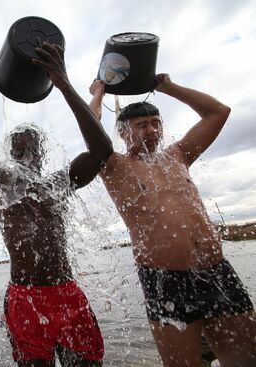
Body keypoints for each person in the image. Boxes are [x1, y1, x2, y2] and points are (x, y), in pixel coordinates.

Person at [89, 76, 256, 366]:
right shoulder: (114, 166)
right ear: (123, 132)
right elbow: (89, 129)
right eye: (142, 125)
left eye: (156, 123)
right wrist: (98, 92)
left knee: (247, 359)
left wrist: (167, 87)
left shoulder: (177, 155)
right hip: (166, 280)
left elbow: (219, 112)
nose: (152, 130)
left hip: (216, 271)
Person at [0, 42, 113, 367]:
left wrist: (62, 82)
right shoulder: (0, 183)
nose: (26, 154)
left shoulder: (59, 183)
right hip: (25, 298)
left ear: (43, 155)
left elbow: (102, 151)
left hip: (67, 294)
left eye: (33, 148)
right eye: (18, 150)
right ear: (8, 155)